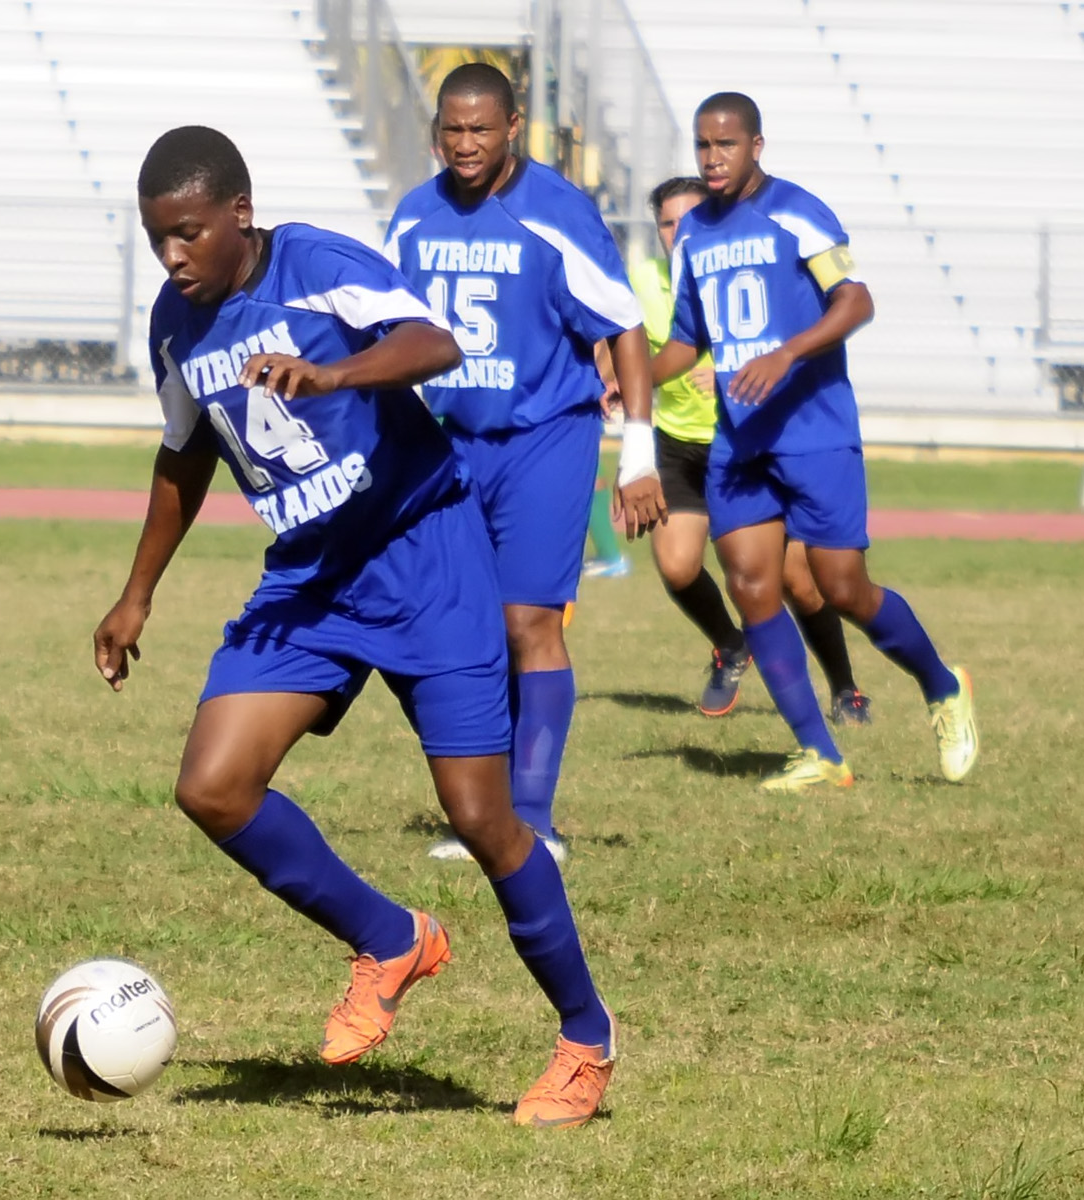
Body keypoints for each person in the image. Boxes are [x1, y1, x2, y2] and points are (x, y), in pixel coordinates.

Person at [93, 125, 616, 1127]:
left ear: (238, 214)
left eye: (188, 234)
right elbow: (183, 453)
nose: (172, 256)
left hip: (427, 559)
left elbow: (435, 341)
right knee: (212, 786)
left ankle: (586, 1038)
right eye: (159, 238)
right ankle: (390, 939)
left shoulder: (319, 266)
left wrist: (334, 375)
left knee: (483, 820)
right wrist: (137, 593)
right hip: (311, 577)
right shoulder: (177, 322)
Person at [652, 94, 978, 791]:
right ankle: (820, 753)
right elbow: (687, 340)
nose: (713, 157)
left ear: (756, 146)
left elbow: (856, 300)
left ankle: (943, 684)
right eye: (703, 145)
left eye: (727, 144)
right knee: (752, 585)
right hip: (740, 444)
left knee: (842, 587)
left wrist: (786, 353)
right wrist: (633, 382)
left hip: (815, 431)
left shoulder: (797, 211)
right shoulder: (695, 238)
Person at [383, 63, 665, 860]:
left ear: (513, 128)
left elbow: (625, 327)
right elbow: (385, 333)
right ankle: (484, 812)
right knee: (464, 632)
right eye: (451, 130)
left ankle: (531, 820)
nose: (464, 145)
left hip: (547, 435)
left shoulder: (559, 213)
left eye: (481, 129)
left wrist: (637, 455)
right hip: (450, 445)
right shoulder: (412, 218)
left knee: (527, 621)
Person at [634, 175, 871, 722]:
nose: (676, 231)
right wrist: (620, 374)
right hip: (679, 445)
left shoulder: (741, 257)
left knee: (799, 582)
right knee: (675, 566)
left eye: (684, 218)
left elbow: (764, 329)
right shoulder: (644, 281)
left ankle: (844, 687)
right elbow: (630, 342)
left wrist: (729, 373)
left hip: (744, 439)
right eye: (665, 223)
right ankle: (730, 646)